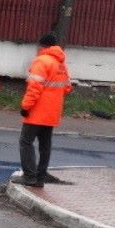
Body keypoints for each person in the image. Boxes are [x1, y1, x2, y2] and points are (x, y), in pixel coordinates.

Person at [12, 33, 72, 188]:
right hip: (52, 113)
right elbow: (67, 88)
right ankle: (40, 176)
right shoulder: (61, 64)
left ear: (42, 46)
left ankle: (29, 177)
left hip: (37, 112)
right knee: (45, 145)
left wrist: (26, 107)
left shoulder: (41, 61)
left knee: (26, 142)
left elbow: (34, 88)